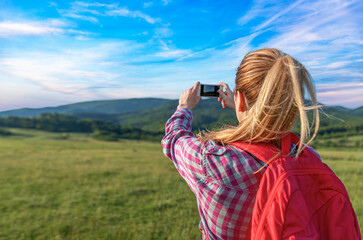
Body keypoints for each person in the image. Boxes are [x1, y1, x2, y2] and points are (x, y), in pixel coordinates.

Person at [161, 48, 350, 239]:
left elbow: (174, 139)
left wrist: (184, 107)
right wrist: (245, 109)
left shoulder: (212, 163)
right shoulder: (309, 157)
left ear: (240, 98)